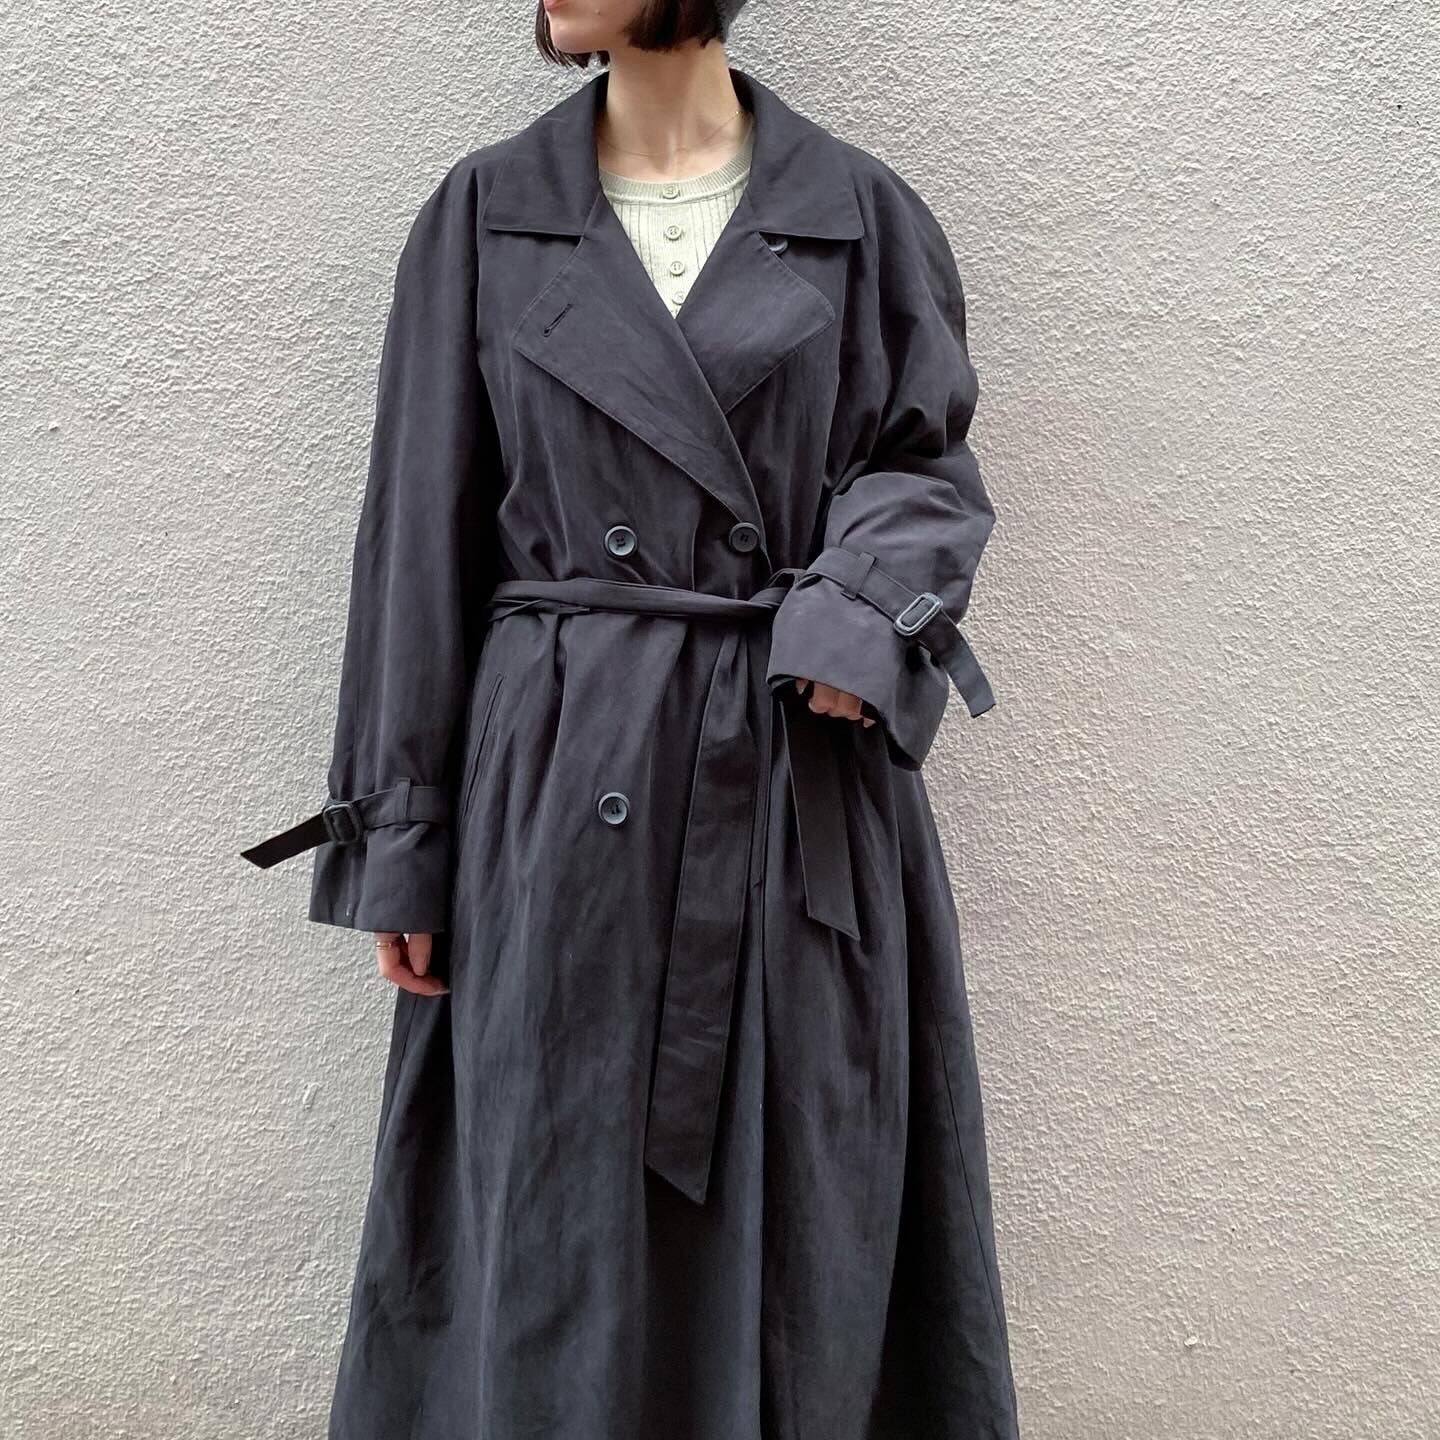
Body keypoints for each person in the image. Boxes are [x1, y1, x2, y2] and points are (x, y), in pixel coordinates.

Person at [241, 2, 1022, 1436]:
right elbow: (417, 541)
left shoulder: (858, 214)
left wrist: (855, 618)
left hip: (789, 781)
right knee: (554, 1216)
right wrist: (404, 840)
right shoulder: (487, 215)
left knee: (802, 1215)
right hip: (555, 796)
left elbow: (927, 464)